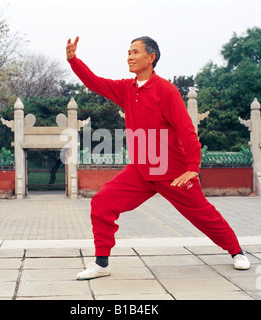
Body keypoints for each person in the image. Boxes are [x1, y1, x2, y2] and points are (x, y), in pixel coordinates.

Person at [66, 36, 250, 281]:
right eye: (128, 52)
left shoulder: (167, 91)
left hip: (173, 171)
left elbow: (186, 130)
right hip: (141, 171)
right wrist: (73, 60)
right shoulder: (126, 89)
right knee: (102, 202)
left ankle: (236, 252)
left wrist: (192, 168)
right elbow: (95, 83)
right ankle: (101, 263)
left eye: (135, 52)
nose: (129, 56)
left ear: (151, 58)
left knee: (204, 215)